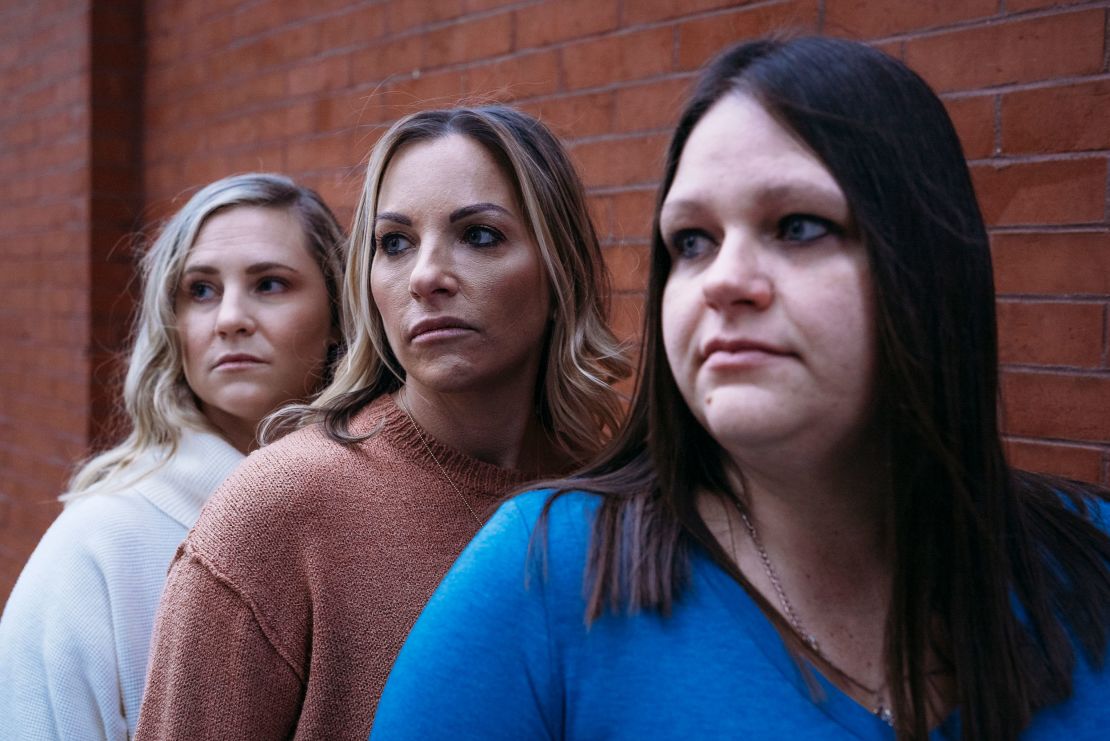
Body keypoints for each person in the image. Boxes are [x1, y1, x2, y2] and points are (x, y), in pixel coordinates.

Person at [370, 37, 1110, 740]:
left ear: (925, 258)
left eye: (797, 226)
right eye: (691, 241)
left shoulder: (1091, 562)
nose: (723, 279)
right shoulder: (544, 572)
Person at [135, 105, 630, 740]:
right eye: (394, 243)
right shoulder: (277, 508)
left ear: (559, 263)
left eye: (479, 234)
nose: (425, 276)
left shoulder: (607, 498)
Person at [0, 173, 345, 741]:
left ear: (337, 313)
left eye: (270, 284)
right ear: (173, 323)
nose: (230, 318)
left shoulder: (379, 516)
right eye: (201, 291)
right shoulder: (96, 546)